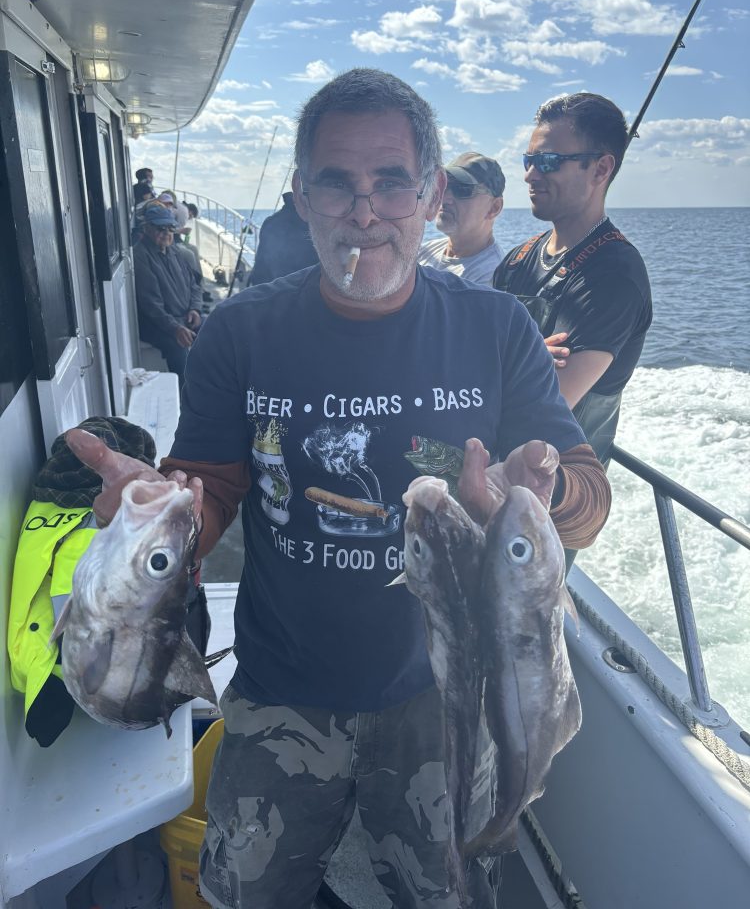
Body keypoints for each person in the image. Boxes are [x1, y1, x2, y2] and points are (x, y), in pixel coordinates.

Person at [66, 69, 611, 909]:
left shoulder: (495, 328)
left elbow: (587, 495)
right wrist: (158, 522)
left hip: (444, 695)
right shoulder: (242, 331)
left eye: (392, 181)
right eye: (338, 184)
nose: (365, 211)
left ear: (431, 195)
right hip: (284, 684)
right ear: (302, 198)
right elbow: (212, 486)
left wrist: (535, 494)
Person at [493, 92, 652, 470]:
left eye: (548, 161)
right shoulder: (517, 260)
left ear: (600, 170)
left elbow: (547, 406)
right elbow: (466, 350)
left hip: (558, 501)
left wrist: (499, 356)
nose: (530, 175)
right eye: (529, 160)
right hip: (491, 473)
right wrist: (527, 358)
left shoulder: (614, 275)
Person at [132, 201, 202, 385]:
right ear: (147, 228)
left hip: (183, 316)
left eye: (170, 228)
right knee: (177, 348)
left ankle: (210, 385)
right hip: (157, 324)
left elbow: (194, 285)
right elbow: (151, 305)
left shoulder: (175, 251)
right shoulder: (141, 256)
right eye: (160, 228)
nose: (167, 233)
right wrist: (176, 328)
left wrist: (195, 309)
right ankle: (185, 396)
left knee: (215, 330)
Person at [418, 152, 505, 286]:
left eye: (462, 190)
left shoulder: (489, 276)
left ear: (494, 208)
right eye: (444, 186)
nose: (444, 198)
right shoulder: (423, 251)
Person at [247, 191, 318, 285]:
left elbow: (261, 265)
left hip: (277, 289)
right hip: (307, 288)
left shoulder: (271, 222)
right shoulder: (315, 224)